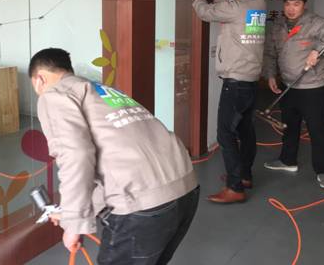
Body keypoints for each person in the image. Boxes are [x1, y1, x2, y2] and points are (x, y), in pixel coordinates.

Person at [29, 48, 199, 265]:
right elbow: (117, 160)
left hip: (144, 206)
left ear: (40, 79)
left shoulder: (54, 95)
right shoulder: (101, 90)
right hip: (184, 189)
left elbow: (75, 156)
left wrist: (74, 224)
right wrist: (74, 212)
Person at [192, 0, 268, 203]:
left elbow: (206, 13)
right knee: (245, 130)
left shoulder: (237, 7)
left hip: (235, 81)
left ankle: (235, 187)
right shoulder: (258, 7)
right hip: (250, 79)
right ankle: (244, 175)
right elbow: (228, 6)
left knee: (225, 133)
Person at [263, 0, 324, 190]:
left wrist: (318, 51)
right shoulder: (278, 26)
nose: (291, 9)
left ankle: (323, 171)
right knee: (289, 126)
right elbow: (270, 53)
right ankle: (288, 160)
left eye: (296, 4)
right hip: (288, 85)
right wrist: (271, 75)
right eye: (288, 4)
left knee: (317, 129)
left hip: (312, 86)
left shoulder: (316, 23)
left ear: (304, 5)